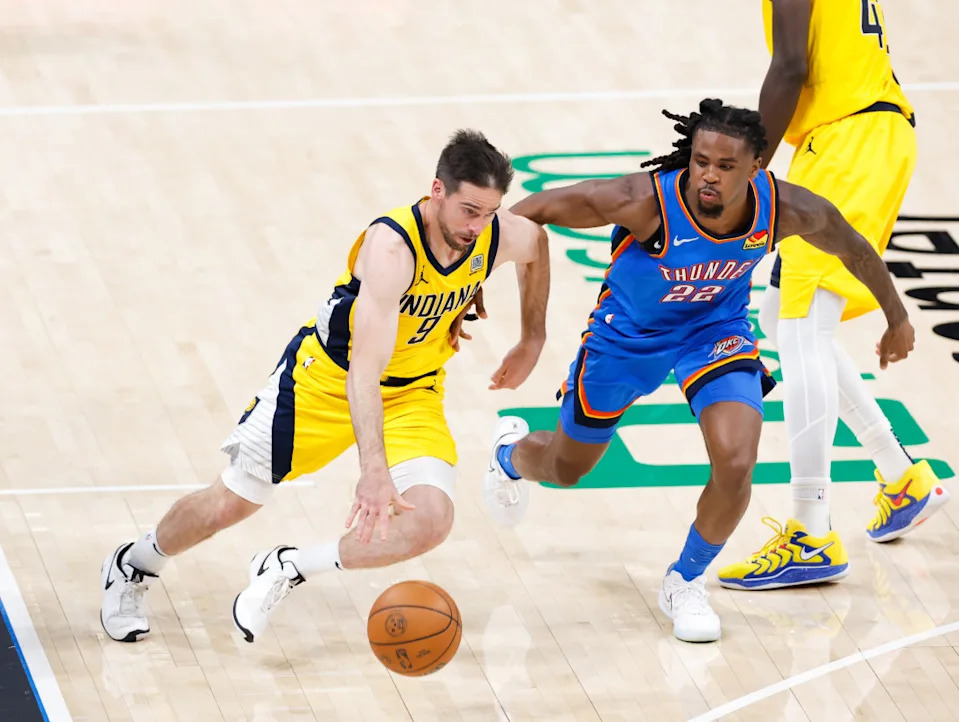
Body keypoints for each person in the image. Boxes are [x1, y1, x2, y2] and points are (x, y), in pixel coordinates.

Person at [483, 98, 915, 643]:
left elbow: (853, 246)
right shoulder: (645, 202)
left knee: (736, 462)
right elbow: (529, 213)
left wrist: (896, 316)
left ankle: (685, 580)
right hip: (628, 337)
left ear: (756, 167)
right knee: (567, 468)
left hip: (716, 331)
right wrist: (481, 293)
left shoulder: (782, 210)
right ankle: (509, 455)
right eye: (701, 160)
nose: (708, 175)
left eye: (725, 166)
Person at [100, 129, 550, 643]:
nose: (478, 226)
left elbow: (537, 244)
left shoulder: (496, 233)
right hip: (327, 383)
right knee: (232, 502)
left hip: (416, 390)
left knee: (429, 521)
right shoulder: (392, 249)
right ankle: (134, 563)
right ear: (437, 191)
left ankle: (288, 567)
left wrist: (533, 337)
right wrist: (373, 471)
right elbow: (364, 370)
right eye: (469, 210)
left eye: (490, 212)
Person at [716, 0, 949, 592]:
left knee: (800, 330)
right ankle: (901, 477)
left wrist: (748, 166)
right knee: (782, 314)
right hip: (863, 134)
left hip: (851, 139)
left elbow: (791, 65)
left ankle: (811, 530)